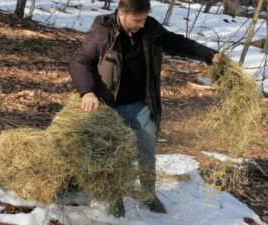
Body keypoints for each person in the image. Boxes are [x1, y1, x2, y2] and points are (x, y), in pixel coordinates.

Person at [69, 0, 220, 217]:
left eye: (144, 19)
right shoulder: (103, 30)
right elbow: (79, 61)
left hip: (140, 105)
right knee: (114, 155)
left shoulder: (150, 28)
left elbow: (178, 43)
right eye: (137, 20)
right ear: (122, 13)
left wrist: (210, 55)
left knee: (147, 152)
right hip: (110, 109)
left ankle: (148, 193)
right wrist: (88, 91)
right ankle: (115, 197)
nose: (141, 24)